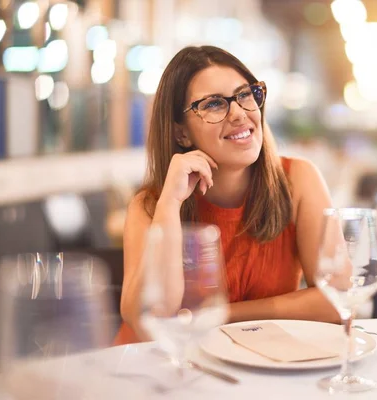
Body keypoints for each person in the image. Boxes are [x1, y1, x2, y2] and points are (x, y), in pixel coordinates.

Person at [115, 45, 339, 344]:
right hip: (159, 374)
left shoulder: (298, 180)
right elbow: (148, 320)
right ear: (181, 133)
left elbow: (337, 299)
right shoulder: (151, 204)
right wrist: (170, 204)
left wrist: (216, 316)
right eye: (213, 104)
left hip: (253, 369)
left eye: (245, 95)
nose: (238, 114)